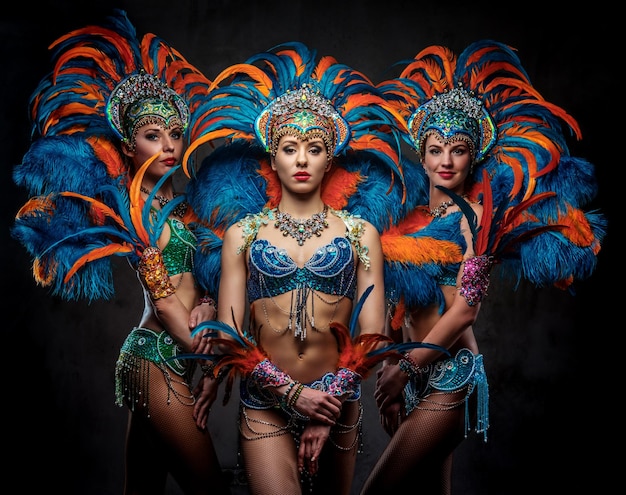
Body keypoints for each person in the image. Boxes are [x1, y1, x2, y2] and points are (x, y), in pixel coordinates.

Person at [360, 41, 607, 494]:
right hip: (410, 374)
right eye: (436, 149)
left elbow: (465, 311)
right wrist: (388, 372)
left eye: (457, 150)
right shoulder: (409, 220)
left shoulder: (478, 218)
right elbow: (396, 301)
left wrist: (404, 370)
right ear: (422, 152)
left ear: (473, 154)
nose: (446, 161)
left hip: (452, 373)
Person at [180, 42, 417, 495]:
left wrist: (324, 407)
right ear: (273, 158)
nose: (302, 159)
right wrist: (294, 395)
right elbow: (231, 335)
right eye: (290, 148)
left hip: (339, 406)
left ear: (331, 159)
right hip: (265, 403)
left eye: (314, 148)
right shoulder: (243, 234)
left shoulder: (359, 233)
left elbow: (373, 335)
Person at [11, 10, 231, 495]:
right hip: (156, 357)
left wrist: (212, 304)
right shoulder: (138, 215)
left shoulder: (186, 212)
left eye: (175, 133)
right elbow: (175, 316)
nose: (169, 146)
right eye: (154, 136)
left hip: (169, 360)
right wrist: (212, 342)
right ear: (129, 148)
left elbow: (204, 284)